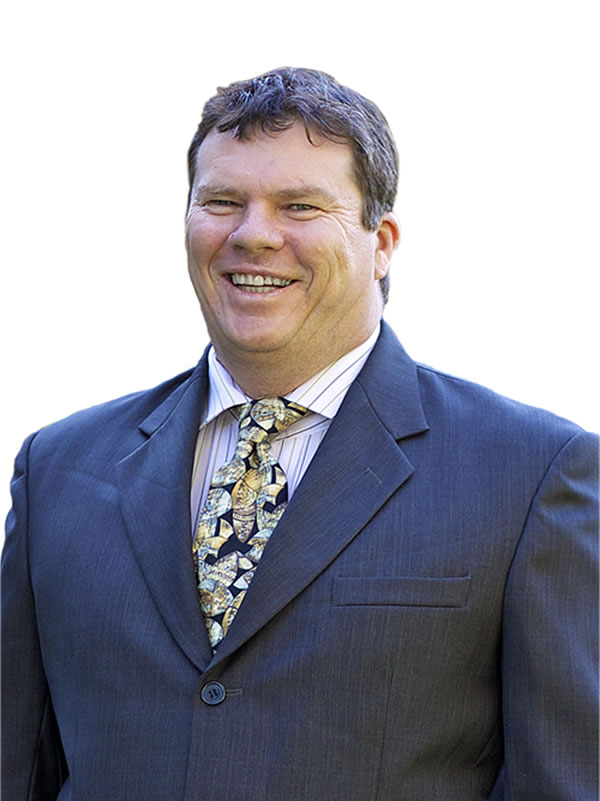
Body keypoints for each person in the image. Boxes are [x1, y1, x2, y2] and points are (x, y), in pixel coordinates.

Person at [2, 67, 597, 801]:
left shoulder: (533, 476)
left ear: (382, 243)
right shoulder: (58, 470)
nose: (253, 234)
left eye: (300, 206)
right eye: (222, 202)